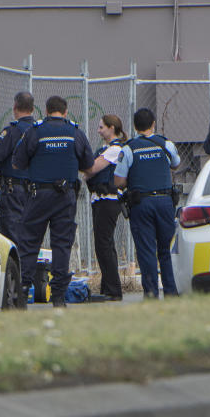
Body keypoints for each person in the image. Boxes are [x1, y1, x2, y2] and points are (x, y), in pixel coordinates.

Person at [12, 95, 95, 307]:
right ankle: (58, 297)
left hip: (38, 194)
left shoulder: (35, 131)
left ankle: (22, 294)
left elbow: (17, 163)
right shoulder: (75, 132)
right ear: (65, 112)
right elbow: (89, 166)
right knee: (61, 245)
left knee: (29, 243)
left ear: (46, 111)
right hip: (65, 196)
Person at [114, 107, 180, 299]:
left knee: (146, 250)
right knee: (166, 249)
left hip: (141, 203)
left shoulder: (128, 149)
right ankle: (171, 291)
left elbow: (118, 181)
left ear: (135, 126)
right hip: (165, 201)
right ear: (153, 124)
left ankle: (151, 293)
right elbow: (176, 164)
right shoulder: (165, 144)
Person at [83, 114, 128, 301]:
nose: (99, 130)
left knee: (103, 245)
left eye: (102, 127)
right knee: (105, 244)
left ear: (111, 128)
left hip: (108, 200)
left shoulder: (114, 149)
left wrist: (85, 167)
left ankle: (113, 290)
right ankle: (107, 287)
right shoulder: (105, 149)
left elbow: (92, 169)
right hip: (100, 200)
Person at [0, 91, 35, 247]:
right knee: (30, 233)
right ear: (32, 109)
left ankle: (16, 270)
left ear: (15, 107)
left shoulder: (12, 131)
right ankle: (29, 269)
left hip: (14, 191)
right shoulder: (38, 131)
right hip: (35, 191)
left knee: (12, 235)